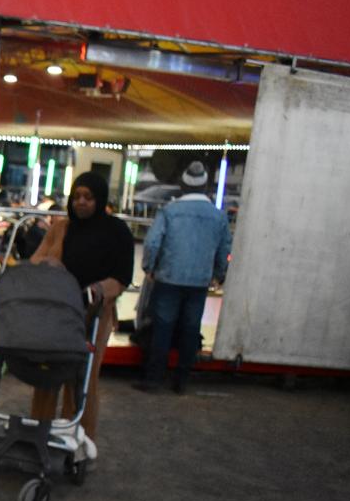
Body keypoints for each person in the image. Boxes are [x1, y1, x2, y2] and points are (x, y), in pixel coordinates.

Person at [30, 171, 134, 439]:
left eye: (88, 197)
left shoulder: (117, 231)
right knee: (47, 374)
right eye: (76, 197)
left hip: (94, 315)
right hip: (57, 312)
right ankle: (40, 432)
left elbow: (122, 277)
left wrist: (97, 290)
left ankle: (79, 438)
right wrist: (50, 264)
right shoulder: (61, 228)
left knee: (83, 379)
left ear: (100, 199)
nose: (81, 202)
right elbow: (36, 259)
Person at [136, 161, 232, 394]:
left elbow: (153, 242)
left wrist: (149, 267)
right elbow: (224, 248)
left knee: (163, 328)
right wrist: (219, 274)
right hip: (199, 281)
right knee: (190, 328)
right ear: (206, 187)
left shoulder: (170, 211)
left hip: (168, 278)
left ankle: (154, 379)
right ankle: (181, 380)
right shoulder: (218, 217)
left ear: (182, 185)